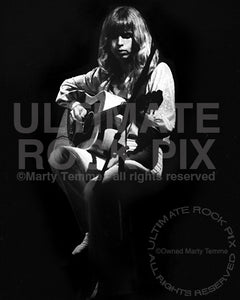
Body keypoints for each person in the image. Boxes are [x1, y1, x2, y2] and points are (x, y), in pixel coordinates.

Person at [48, 5, 175, 297]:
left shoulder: (157, 73)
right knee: (61, 158)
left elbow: (163, 127)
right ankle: (93, 234)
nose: (120, 44)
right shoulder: (105, 76)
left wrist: (128, 118)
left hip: (145, 159)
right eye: (114, 37)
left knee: (97, 187)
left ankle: (109, 281)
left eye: (127, 36)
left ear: (139, 38)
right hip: (104, 154)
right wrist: (76, 105)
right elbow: (68, 86)